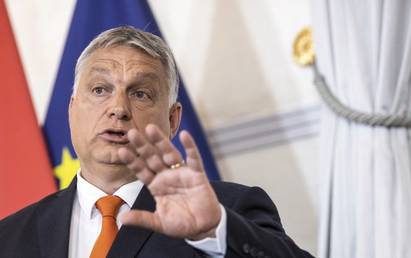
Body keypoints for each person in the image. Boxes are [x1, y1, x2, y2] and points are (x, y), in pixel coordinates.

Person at [0, 26, 314, 258]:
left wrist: (216, 231)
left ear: (173, 120)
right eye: (99, 90)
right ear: (71, 109)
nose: (119, 109)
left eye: (141, 94)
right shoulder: (9, 236)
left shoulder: (229, 211)